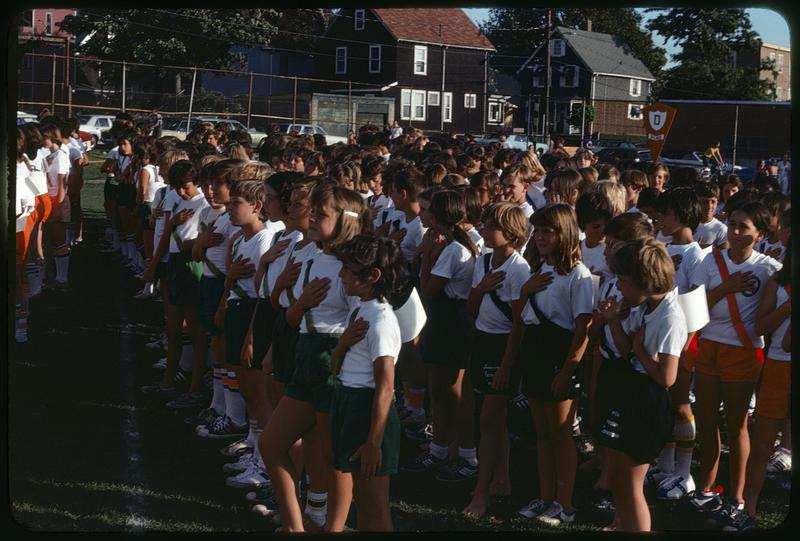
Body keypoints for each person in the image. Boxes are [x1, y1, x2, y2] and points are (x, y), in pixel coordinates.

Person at [263, 183, 370, 532]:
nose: (310, 218)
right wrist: (301, 302)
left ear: (343, 220)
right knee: (272, 444)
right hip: (304, 355)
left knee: (333, 456)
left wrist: (337, 356)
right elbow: (289, 315)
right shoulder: (308, 253)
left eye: (320, 214)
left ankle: (330, 528)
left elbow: (364, 321)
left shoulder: (352, 264)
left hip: (332, 362)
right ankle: (298, 527)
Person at [498, 204, 594, 526]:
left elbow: (583, 329)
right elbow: (521, 321)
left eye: (547, 231)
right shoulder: (539, 271)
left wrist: (568, 370)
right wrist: (524, 292)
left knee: (562, 434)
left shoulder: (578, 275)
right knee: (541, 434)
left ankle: (565, 503)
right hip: (536, 354)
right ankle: (546, 496)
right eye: (536, 231)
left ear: (563, 233)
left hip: (559, 356)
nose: (539, 237)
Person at [687, 201, 782, 526]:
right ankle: (706, 488)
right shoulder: (710, 260)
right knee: (707, 420)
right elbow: (694, 306)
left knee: (737, 424)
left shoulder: (768, 267)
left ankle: (737, 496)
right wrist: (724, 288)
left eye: (745, 227)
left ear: (760, 233)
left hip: (743, 351)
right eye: (734, 225)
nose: (737, 232)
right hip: (709, 346)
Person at [595, 239, 687, 531]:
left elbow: (667, 377)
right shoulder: (646, 305)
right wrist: (612, 322)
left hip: (648, 402)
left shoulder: (670, 315)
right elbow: (626, 350)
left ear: (644, 280)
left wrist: (640, 351)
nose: (619, 287)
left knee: (632, 483)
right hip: (633, 392)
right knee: (620, 479)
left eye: (623, 280)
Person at [325, 234, 406, 532]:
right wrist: (342, 344)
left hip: (368, 411)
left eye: (348, 269)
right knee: (361, 496)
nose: (341, 275)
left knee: (374, 502)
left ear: (373, 276)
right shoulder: (360, 308)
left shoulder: (381, 321)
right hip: (349, 402)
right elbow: (336, 365)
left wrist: (373, 442)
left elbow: (386, 387)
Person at [404, 190, 479, 482]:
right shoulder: (452, 246)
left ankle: (464, 452)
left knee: (451, 391)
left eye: (427, 211)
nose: (422, 214)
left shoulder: (452, 250)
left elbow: (428, 291)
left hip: (450, 322)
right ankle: (441, 448)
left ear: (436, 216)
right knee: (439, 388)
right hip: (445, 320)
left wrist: (425, 257)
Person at [462, 202, 531, 517]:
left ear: (513, 233)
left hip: (503, 347)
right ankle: (501, 479)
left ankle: (481, 493)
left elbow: (519, 324)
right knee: (493, 420)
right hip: (482, 342)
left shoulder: (519, 269)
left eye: (493, 225)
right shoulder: (485, 260)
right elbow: (471, 308)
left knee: (488, 421)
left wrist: (506, 365)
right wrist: (481, 289)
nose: (486, 229)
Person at [725, 241, 791, 531]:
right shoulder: (778, 281)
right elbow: (761, 327)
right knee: (762, 444)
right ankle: (748, 510)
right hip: (778, 367)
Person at [216, 179, 276, 489]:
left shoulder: (265, 240)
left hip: (253, 315)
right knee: (248, 390)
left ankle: (264, 463)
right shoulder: (241, 238)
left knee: (259, 392)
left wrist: (252, 335)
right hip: (239, 311)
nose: (228, 208)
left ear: (257, 206)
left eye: (235, 203)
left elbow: (261, 293)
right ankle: (253, 445)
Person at [647, 187, 704, 500]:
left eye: (665, 213)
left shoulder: (696, 256)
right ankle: (666, 466)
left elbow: (696, 313)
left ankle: (684, 473)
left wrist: (684, 351)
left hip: (683, 344)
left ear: (682, 215)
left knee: (682, 405)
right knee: (667, 405)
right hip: (660, 339)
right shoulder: (663, 246)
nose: (660, 218)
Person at [140, 160, 210, 405]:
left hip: (191, 264)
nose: (181, 191)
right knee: (173, 327)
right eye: (177, 187)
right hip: (173, 264)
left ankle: (194, 387)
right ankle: (168, 381)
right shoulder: (178, 200)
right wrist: (153, 265)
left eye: (186, 186)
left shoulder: (205, 204)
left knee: (194, 330)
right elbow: (166, 236)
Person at [576, 191, 614, 282]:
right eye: (596, 227)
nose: (603, 231)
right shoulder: (576, 249)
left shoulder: (613, 250)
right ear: (582, 225)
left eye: (607, 225)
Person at [693, 182, 728, 250]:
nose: (709, 206)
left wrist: (708, 249)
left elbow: (724, 255)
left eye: (713, 202)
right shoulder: (686, 225)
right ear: (696, 202)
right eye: (705, 202)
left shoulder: (721, 229)